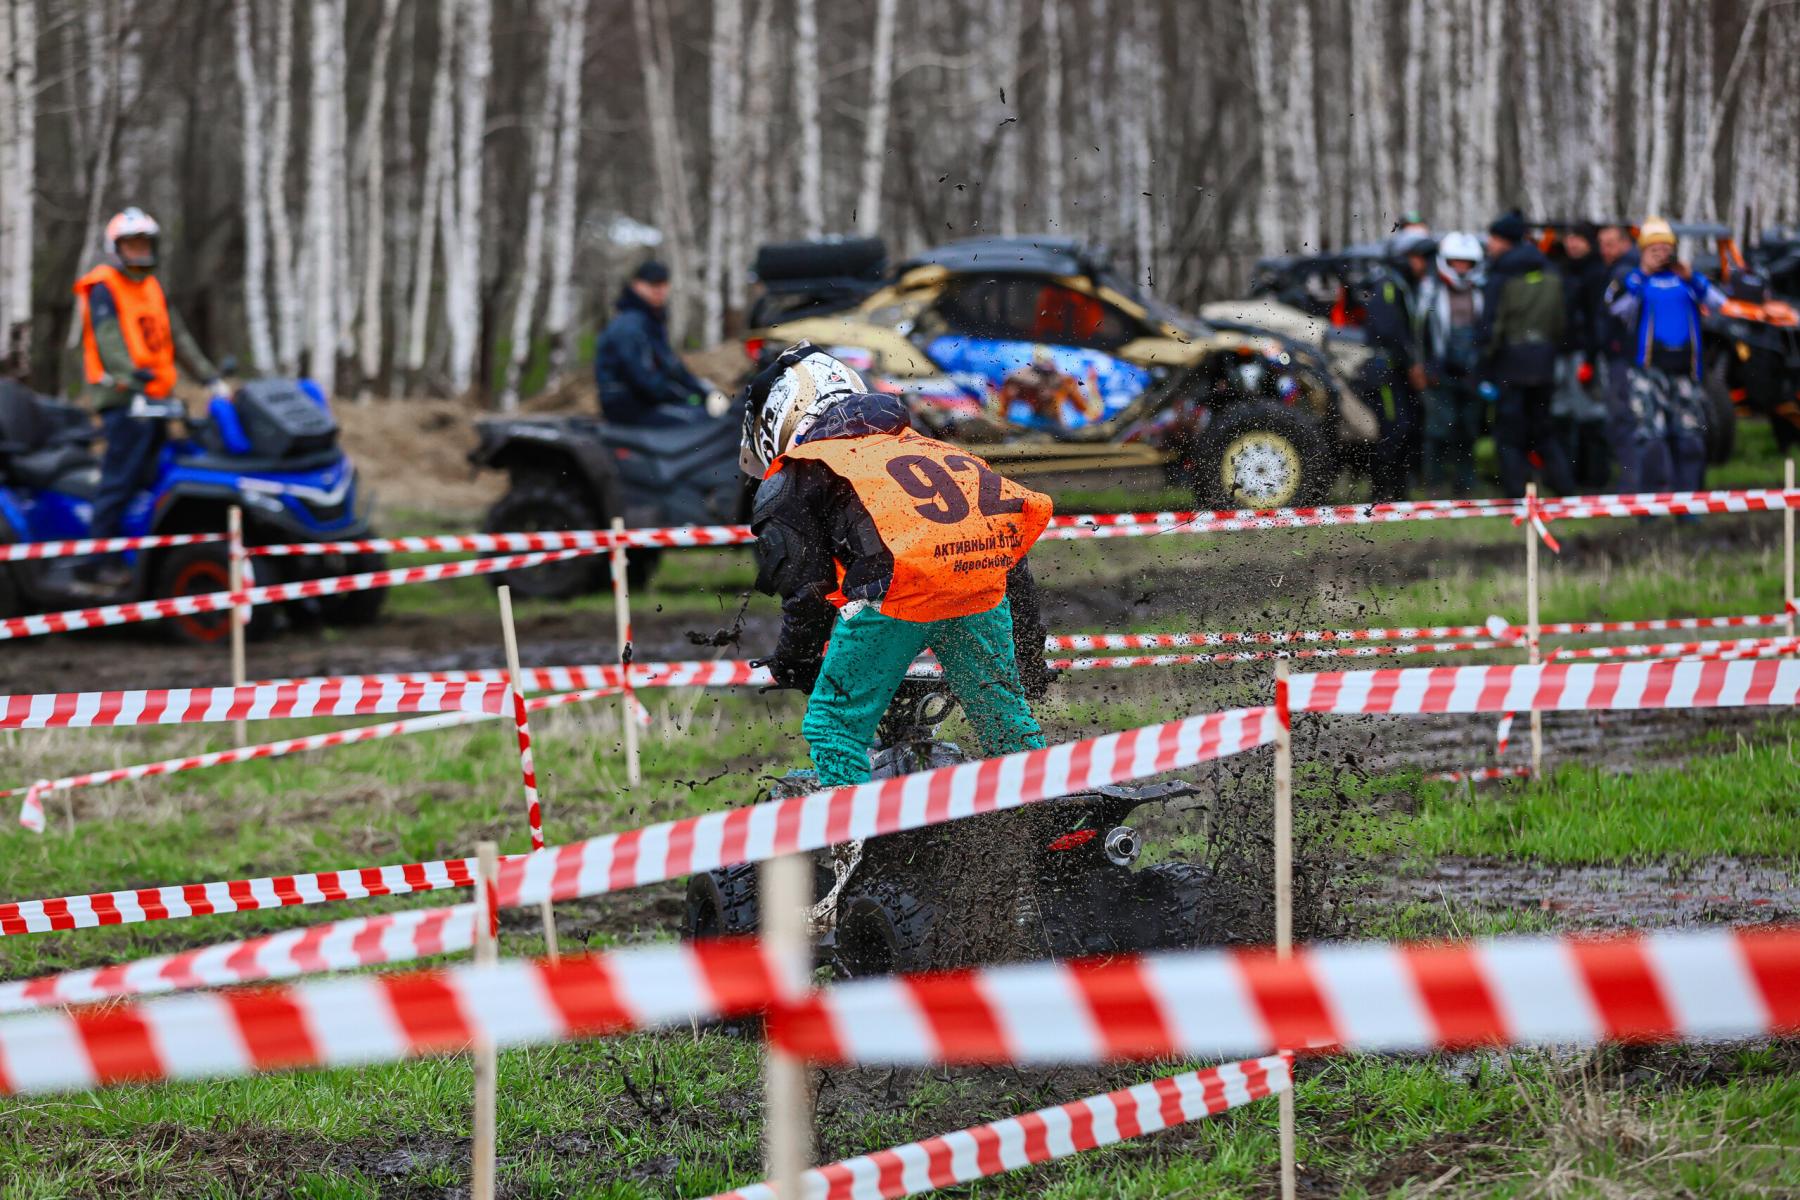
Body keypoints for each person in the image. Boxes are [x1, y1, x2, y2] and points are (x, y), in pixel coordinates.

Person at [740, 342, 1053, 791]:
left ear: (778, 420)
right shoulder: (929, 448)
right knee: (1005, 719)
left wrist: (795, 665)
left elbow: (807, 592)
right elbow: (1008, 561)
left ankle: (854, 841)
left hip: (894, 598)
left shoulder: (804, 469)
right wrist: (1027, 656)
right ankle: (1048, 823)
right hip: (978, 590)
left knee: (833, 726)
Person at [73, 207, 223, 587]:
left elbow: (180, 339)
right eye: (132, 245)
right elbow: (109, 341)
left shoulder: (153, 288)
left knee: (155, 476)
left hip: (156, 401)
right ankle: (96, 562)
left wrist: (209, 376)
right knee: (119, 481)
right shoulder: (104, 287)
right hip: (123, 401)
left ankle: (143, 558)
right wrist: (128, 374)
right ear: (116, 248)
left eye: (144, 244)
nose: (140, 252)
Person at [1605, 216, 1726, 493]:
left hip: (1685, 373)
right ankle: (1651, 507)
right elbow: (1615, 309)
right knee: (1651, 439)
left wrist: (1692, 278)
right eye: (1654, 249)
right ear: (1643, 251)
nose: (1661, 254)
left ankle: (1689, 504)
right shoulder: (1634, 280)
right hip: (1648, 373)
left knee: (1690, 438)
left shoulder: (1687, 281)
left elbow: (1720, 304)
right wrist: (1643, 273)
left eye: (1665, 248)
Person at [1477, 210, 1575, 497]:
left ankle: (1517, 494)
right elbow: (1560, 321)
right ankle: (1563, 486)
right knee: (1543, 430)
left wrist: (1485, 362)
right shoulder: (1550, 271)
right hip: (1544, 362)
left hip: (1511, 364)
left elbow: (1492, 324)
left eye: (1493, 239)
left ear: (1505, 241)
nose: (1489, 245)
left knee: (1509, 435)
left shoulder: (1500, 275)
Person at [1355, 229, 1432, 501]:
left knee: (1406, 428)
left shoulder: (1405, 286)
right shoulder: (1388, 284)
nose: (1424, 264)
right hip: (1384, 371)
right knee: (1392, 430)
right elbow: (1389, 330)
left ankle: (1399, 492)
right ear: (1405, 257)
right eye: (1420, 257)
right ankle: (1382, 494)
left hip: (1398, 371)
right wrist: (1411, 363)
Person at [594, 260, 713, 426]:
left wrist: (702, 390)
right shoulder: (630, 325)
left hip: (644, 402)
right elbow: (644, 378)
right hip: (629, 407)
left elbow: (671, 366)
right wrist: (687, 396)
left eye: (664, 284)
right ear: (637, 285)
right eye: (653, 283)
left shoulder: (649, 321)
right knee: (700, 421)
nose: (660, 289)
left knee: (706, 415)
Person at [1414, 231, 1485, 496]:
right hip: (1439, 372)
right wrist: (1423, 365)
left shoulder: (1480, 291)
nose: (1461, 267)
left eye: (1466, 262)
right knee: (1438, 429)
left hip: (1470, 372)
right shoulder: (1430, 291)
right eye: (1456, 261)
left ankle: (1465, 484)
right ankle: (1433, 482)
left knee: (1467, 429)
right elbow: (1419, 332)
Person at [1551, 223, 1612, 486]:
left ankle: (1595, 478)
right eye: (1570, 238)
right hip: (1561, 353)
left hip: (1585, 354)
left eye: (1579, 239)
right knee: (1561, 416)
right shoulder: (1561, 269)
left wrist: (1590, 358)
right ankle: (1567, 478)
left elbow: (1598, 318)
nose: (1573, 244)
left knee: (1591, 417)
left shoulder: (1597, 273)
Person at [1593, 224, 1642, 488]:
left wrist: (1610, 345)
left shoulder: (1626, 275)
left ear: (1625, 243)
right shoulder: (1617, 271)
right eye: (1601, 243)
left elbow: (1615, 316)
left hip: (1626, 358)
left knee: (1625, 421)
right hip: (1621, 356)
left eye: (1610, 243)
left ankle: (1632, 485)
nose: (1604, 250)